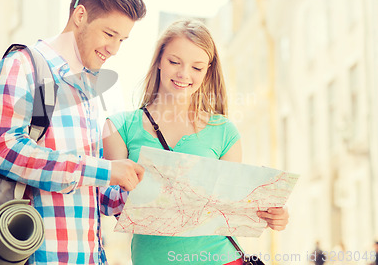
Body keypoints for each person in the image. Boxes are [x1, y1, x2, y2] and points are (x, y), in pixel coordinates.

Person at [0, 0, 147, 265]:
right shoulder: (27, 65)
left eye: (122, 39)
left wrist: (129, 190)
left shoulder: (87, 89)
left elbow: (91, 191)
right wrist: (105, 170)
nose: (114, 49)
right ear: (80, 16)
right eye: (109, 34)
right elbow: (4, 149)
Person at [102, 19, 290, 265]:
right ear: (159, 60)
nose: (184, 74)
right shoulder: (118, 127)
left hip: (220, 258)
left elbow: (232, 209)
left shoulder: (224, 132)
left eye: (197, 67)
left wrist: (274, 215)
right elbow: (111, 205)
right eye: (174, 62)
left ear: (208, 71)